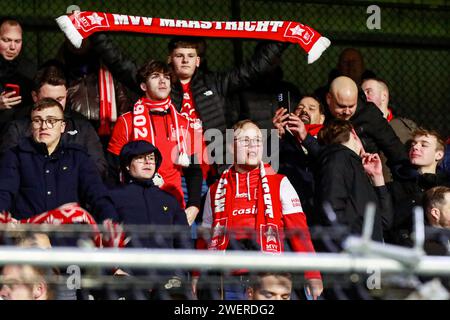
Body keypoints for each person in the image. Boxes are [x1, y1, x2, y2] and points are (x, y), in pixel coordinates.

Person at [91, 33, 288, 174]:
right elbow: (119, 63)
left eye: (191, 56)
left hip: (215, 169)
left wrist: (283, 40)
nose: (185, 60)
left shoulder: (216, 83)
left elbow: (253, 70)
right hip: (172, 170)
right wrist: (95, 33)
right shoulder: (160, 84)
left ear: (198, 61)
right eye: (179, 55)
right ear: (170, 59)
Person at [199, 119, 323, 300]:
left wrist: (312, 274)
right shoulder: (215, 189)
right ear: (231, 147)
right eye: (245, 141)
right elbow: (205, 236)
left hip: (269, 282)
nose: (253, 146)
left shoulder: (280, 182)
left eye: (257, 140)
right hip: (227, 282)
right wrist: (196, 274)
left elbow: (299, 231)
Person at [107, 60, 202, 224]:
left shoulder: (183, 123)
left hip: (174, 204)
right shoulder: (126, 122)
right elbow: (112, 169)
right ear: (143, 86)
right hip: (135, 205)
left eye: (166, 77)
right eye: (155, 76)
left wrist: (194, 205)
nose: (163, 80)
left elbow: (193, 169)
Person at [0, 98, 116, 222]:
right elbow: (4, 193)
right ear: (31, 126)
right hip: (28, 235)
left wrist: (110, 222)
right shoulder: (15, 156)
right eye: (37, 121)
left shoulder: (78, 157)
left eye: (51, 121)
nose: (44, 126)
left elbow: (98, 195)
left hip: (69, 237)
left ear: (62, 126)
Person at [293, 76, 414, 181]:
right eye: (341, 106)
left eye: (351, 106)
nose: (346, 112)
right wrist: (279, 133)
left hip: (364, 181)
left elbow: (394, 148)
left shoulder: (369, 114)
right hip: (326, 179)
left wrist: (406, 183)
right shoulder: (320, 116)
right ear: (329, 99)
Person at [0, 64, 108, 178]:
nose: (55, 105)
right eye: (49, 100)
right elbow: (7, 168)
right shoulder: (17, 125)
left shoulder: (82, 126)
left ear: (66, 94)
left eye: (60, 99)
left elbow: (99, 167)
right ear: (35, 96)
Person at [314, 119, 393, 242]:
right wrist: (350, 243)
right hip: (353, 254)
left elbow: (384, 222)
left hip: (366, 251)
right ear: (354, 133)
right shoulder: (338, 158)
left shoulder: (354, 165)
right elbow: (331, 208)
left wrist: (377, 178)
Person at [110, 140, 191, 249]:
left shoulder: (170, 201)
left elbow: (184, 244)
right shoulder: (113, 198)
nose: (147, 162)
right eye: (140, 158)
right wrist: (114, 266)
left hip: (166, 265)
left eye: (151, 158)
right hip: (127, 264)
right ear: (127, 165)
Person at [388, 128, 449, 246]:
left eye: (424, 145)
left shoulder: (446, 187)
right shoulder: (397, 186)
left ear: (439, 154)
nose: (415, 147)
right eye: (413, 144)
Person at [272, 95, 325, 224]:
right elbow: (265, 165)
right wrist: (275, 136)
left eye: (311, 108)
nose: (304, 111)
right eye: (299, 108)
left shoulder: (328, 138)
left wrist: (305, 137)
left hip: (320, 209)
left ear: (322, 118)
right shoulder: (283, 140)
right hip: (289, 210)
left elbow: (328, 161)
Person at [362, 77, 418, 182]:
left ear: (384, 96)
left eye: (368, 91)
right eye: (362, 93)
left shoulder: (406, 127)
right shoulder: (359, 129)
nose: (364, 96)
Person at [0, 18, 36, 132]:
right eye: (6, 40)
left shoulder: (30, 68)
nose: (12, 47)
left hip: (22, 130)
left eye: (17, 41)